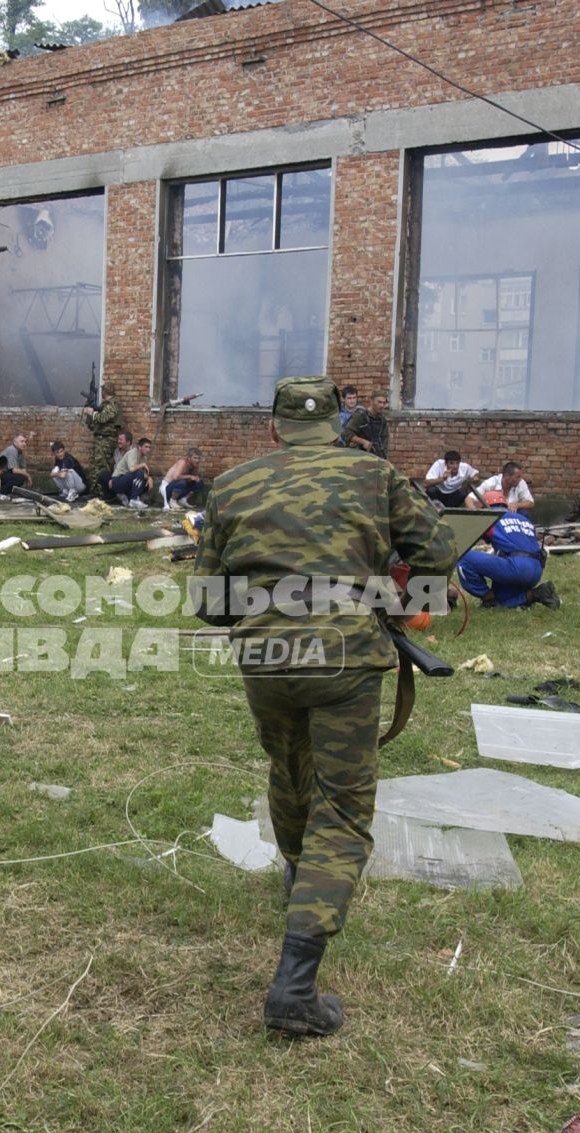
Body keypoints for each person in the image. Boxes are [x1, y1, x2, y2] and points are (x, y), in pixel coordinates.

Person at [191, 375, 455, 1037]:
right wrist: (392, 597)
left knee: (288, 772)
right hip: (344, 661)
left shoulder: (230, 486)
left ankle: (297, 879)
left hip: (267, 662)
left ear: (274, 428)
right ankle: (295, 984)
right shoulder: (378, 477)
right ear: (336, 427)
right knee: (341, 806)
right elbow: (438, 557)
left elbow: (209, 604)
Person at [458, 501, 556, 608]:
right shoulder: (524, 519)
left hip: (515, 567)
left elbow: (469, 537)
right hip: (536, 570)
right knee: (501, 603)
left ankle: (488, 598)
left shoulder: (492, 518)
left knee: (464, 558)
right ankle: (535, 594)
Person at [83, 384, 122, 498]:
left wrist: (92, 413)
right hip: (100, 438)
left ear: (105, 392)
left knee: (102, 466)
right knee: (95, 466)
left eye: (103, 391)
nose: (101, 393)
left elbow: (103, 418)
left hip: (107, 440)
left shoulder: (112, 404)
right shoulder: (105, 405)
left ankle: (103, 493)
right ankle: (95, 492)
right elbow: (97, 422)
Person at [343, 389, 390, 460]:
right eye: (379, 402)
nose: (382, 405)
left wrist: (385, 458)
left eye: (384, 403)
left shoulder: (382, 420)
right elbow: (346, 433)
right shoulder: (360, 416)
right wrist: (363, 442)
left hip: (377, 458)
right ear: (372, 401)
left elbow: (384, 441)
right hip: (360, 457)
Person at [469, 461, 534, 512]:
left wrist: (516, 505)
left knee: (523, 512)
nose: (520, 479)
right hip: (494, 516)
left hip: (512, 516)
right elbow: (469, 499)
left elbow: (530, 503)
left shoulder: (521, 483)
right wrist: (474, 512)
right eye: (517, 477)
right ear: (506, 476)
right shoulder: (492, 482)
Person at [110, 436, 154, 508]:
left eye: (149, 447)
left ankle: (133, 498)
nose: (148, 449)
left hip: (128, 481)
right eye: (146, 447)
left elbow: (143, 474)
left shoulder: (144, 457)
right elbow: (132, 469)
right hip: (117, 481)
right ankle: (133, 499)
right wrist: (143, 465)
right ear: (139, 447)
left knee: (147, 482)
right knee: (139, 473)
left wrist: (149, 478)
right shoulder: (132, 453)